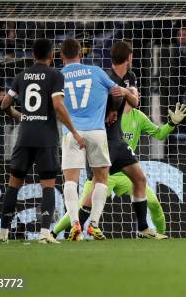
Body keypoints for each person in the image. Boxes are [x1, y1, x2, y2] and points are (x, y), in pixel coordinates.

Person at [80, 40, 186, 239]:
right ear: (128, 57)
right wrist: (110, 109)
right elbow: (98, 106)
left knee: (140, 179)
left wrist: (124, 92)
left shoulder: (130, 77)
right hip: (103, 139)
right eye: (131, 56)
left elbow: (135, 102)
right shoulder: (105, 78)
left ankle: (143, 228)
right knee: (95, 189)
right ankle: (75, 226)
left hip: (118, 142)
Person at [52, 94, 183, 239]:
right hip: (105, 173)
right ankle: (54, 233)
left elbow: (159, 134)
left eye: (138, 92)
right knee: (83, 206)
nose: (137, 95)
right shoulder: (106, 112)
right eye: (133, 92)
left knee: (153, 203)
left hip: (126, 173)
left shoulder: (139, 117)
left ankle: (160, 234)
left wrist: (172, 123)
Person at [0, 39, 85, 244]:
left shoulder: (21, 76)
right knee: (48, 185)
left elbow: (5, 104)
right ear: (52, 55)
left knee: (13, 185)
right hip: (46, 138)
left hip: (25, 136)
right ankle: (45, 232)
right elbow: (58, 105)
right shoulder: (55, 75)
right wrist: (74, 132)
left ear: (33, 54)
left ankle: (2, 232)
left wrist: (20, 116)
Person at [59, 38, 121, 241]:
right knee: (101, 177)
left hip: (72, 132)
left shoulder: (59, 76)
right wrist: (112, 109)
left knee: (71, 180)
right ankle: (93, 224)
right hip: (97, 131)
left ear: (61, 56)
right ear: (81, 54)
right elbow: (117, 91)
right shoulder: (96, 71)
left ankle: (75, 223)